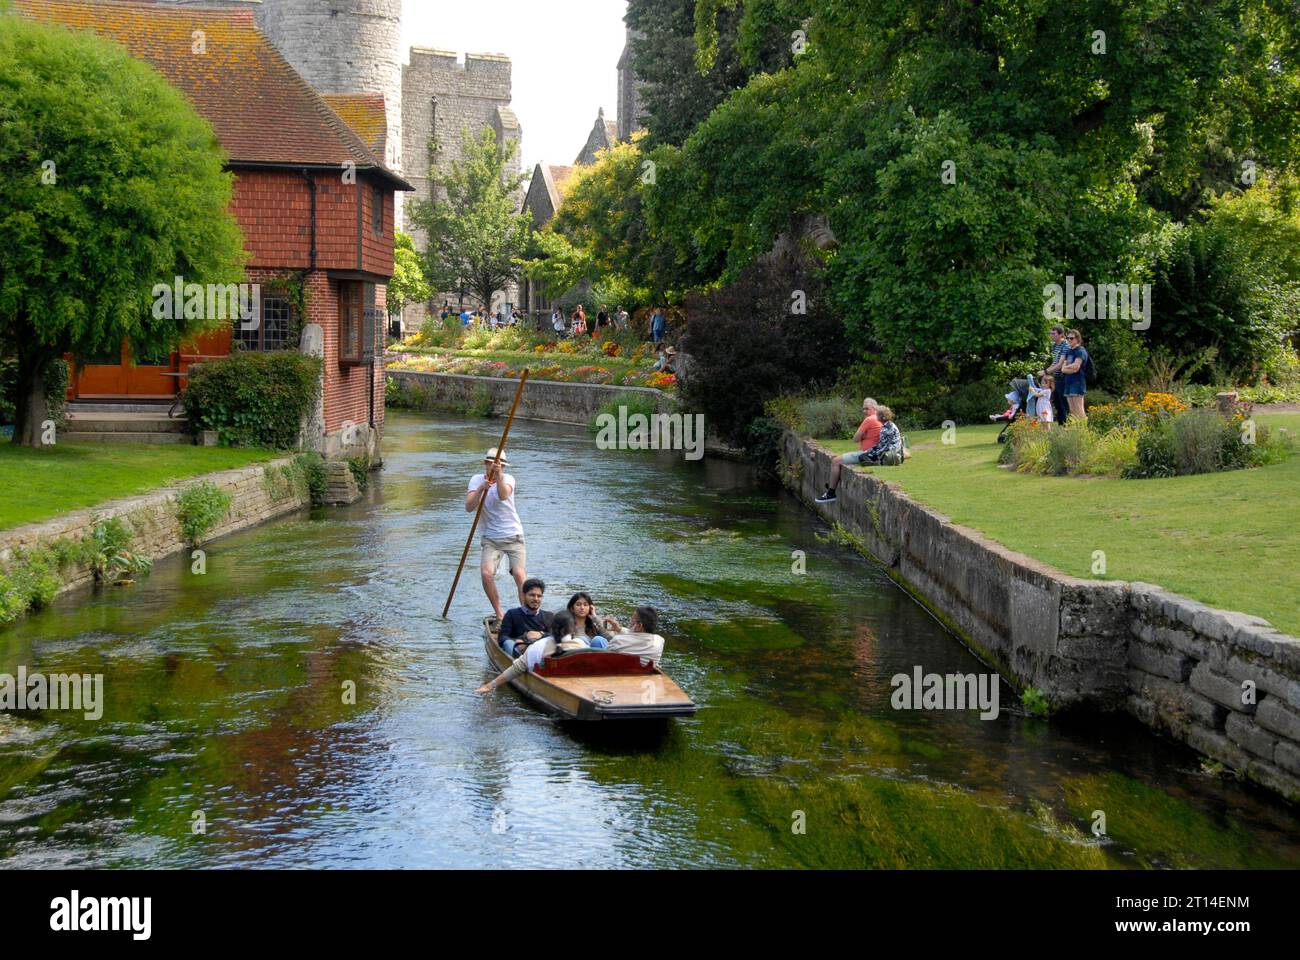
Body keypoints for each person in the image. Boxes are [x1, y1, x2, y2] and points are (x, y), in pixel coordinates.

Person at [465, 447, 528, 622]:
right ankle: (500, 613)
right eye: (492, 463)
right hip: (490, 538)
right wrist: (480, 489)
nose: (496, 466)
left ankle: (525, 614)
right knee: (486, 573)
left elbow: (503, 495)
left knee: (518, 574)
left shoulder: (508, 478)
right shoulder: (476, 479)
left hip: (513, 535)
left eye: (500, 465)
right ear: (485, 463)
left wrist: (498, 476)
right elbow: (469, 507)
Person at [477, 611, 591, 694]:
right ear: (574, 629)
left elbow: (517, 668)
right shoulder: (582, 644)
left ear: (552, 627)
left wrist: (490, 685)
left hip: (554, 688)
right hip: (581, 687)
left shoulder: (538, 647)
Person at [815, 399, 880, 504]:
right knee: (839, 458)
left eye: (867, 408)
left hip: (868, 454)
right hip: (876, 453)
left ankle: (831, 493)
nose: (864, 411)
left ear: (874, 408)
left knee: (835, 461)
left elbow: (855, 439)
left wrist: (863, 436)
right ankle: (832, 483)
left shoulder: (869, 420)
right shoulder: (881, 418)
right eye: (863, 408)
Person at [498, 578, 554, 656]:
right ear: (523, 595)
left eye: (539, 596)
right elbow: (502, 637)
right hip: (518, 651)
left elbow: (557, 636)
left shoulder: (549, 616)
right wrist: (517, 642)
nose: (536, 599)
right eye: (532, 595)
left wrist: (541, 634)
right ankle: (519, 664)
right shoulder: (512, 614)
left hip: (541, 652)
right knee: (507, 643)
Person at [602, 606, 666, 666]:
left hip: (619, 672)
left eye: (632, 618)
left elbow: (604, 657)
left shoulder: (618, 640)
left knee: (598, 640)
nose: (630, 621)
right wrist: (620, 629)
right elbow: (638, 635)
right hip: (643, 673)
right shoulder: (659, 641)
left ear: (639, 626)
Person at [1037, 324, 1071, 424]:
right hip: (1056, 377)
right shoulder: (1055, 345)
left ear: (1061, 335)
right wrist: (1046, 373)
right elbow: (1055, 361)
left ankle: (1067, 425)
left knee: (1063, 402)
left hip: (1063, 377)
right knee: (1057, 402)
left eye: (1053, 334)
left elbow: (1060, 364)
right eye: (1050, 333)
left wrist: (1046, 371)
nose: (1051, 335)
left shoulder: (1066, 345)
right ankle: (1061, 425)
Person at [1059, 328, 1089, 421]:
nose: (1069, 340)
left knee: (1079, 408)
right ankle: (1075, 429)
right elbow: (1063, 368)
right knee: (1072, 410)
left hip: (1077, 382)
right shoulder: (1069, 351)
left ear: (1077, 339)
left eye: (1071, 338)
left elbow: (1076, 367)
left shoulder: (1080, 351)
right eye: (1067, 338)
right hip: (1068, 381)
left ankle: (1084, 430)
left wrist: (1066, 368)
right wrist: (1067, 368)